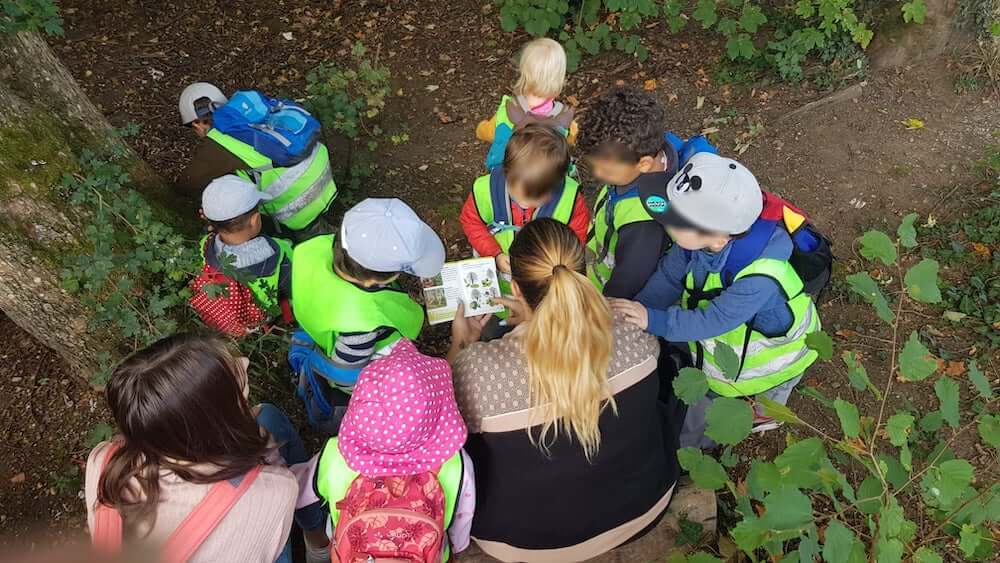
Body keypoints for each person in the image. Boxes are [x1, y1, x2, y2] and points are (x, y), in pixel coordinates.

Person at [447, 219, 681, 562]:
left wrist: (461, 344)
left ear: (516, 288)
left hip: (523, 542)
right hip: (646, 505)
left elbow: (441, 421)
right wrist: (532, 322)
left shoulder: (477, 370)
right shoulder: (634, 330)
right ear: (582, 274)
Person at [611, 153, 821, 445]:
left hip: (772, 360)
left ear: (719, 239)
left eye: (675, 221)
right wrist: (636, 313)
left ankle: (763, 415)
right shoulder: (698, 242)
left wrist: (651, 319)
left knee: (703, 419)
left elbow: (713, 321)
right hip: (727, 341)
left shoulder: (759, 277)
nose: (665, 223)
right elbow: (669, 277)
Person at [85, 334, 329, 563]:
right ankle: (317, 542)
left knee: (267, 418)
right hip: (249, 532)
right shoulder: (272, 492)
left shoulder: (104, 461)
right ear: (217, 423)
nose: (244, 362)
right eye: (233, 377)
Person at [290, 339, 476, 560]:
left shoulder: (337, 455)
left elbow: (297, 491)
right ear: (439, 412)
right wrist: (458, 547)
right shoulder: (456, 462)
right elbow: (461, 517)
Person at [576, 86, 716, 299]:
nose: (597, 174)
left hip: (608, 294)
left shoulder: (644, 221)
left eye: (605, 169)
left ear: (644, 163)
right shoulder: (654, 146)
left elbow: (629, 283)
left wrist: (603, 308)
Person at [291, 198, 445, 381]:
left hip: (314, 321)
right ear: (373, 281)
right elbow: (346, 371)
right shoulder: (360, 325)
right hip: (367, 371)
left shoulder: (310, 249)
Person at [175, 82, 337, 235]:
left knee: (314, 240)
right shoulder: (247, 110)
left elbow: (189, 183)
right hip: (323, 173)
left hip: (301, 200)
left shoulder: (219, 141)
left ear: (196, 123)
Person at [460, 123, 589, 286]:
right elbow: (471, 222)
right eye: (520, 194)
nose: (526, 204)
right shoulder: (484, 190)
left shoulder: (571, 199)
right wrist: (494, 253)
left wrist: (555, 267)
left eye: (539, 196)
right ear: (506, 172)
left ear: (558, 182)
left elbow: (575, 243)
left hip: (544, 279)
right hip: (497, 273)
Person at [475, 38, 578, 170]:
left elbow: (487, 133)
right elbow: (572, 138)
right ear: (559, 79)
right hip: (545, 179)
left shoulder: (508, 110)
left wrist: (480, 128)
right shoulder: (563, 118)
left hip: (508, 176)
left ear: (523, 73)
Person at [198, 175, 293, 314]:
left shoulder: (204, 245)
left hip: (232, 315)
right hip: (266, 311)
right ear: (255, 220)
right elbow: (290, 286)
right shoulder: (278, 254)